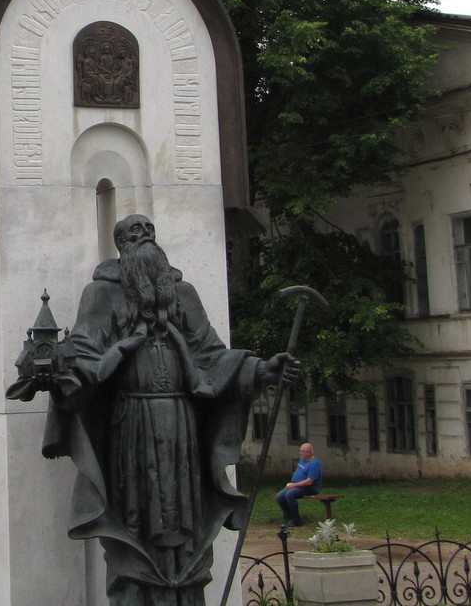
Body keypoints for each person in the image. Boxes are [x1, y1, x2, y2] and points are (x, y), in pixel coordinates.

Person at [15, 214, 292, 606]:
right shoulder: (101, 294)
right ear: (121, 247)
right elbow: (82, 356)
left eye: (150, 232)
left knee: (186, 521)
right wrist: (57, 374)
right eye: (134, 233)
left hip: (183, 426)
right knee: (136, 523)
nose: (145, 237)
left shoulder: (183, 295)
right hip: (133, 426)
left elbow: (212, 354)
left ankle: (187, 594)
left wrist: (261, 369)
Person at [275, 443, 322, 528]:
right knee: (279, 497)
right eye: (300, 450)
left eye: (302, 451)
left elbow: (309, 482)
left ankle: (296, 520)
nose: (300, 453)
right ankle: (288, 518)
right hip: (296, 485)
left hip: (309, 488)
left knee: (290, 494)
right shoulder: (302, 459)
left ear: (309, 453)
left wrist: (294, 485)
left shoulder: (314, 464)